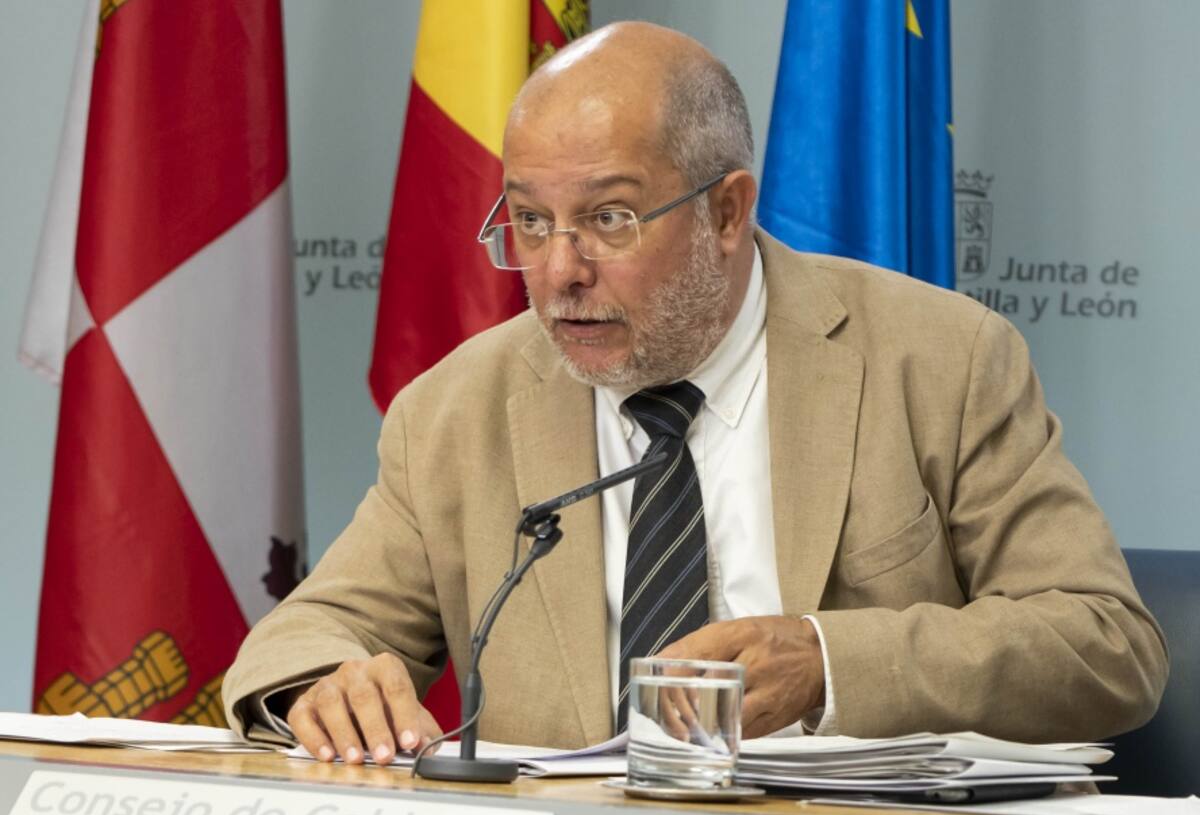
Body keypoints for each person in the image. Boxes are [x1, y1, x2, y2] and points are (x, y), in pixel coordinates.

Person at [223, 22, 1166, 765]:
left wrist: (828, 662)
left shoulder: (938, 360)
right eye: (531, 222)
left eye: (609, 218)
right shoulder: (457, 410)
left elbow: (1103, 644)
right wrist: (325, 683)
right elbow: (306, 633)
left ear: (726, 211)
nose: (560, 272)